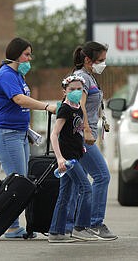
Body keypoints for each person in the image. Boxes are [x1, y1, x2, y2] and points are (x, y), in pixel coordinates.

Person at [0, 37, 57, 239]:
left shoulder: (17, 76)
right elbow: (19, 99)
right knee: (18, 182)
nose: (29, 58)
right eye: (26, 54)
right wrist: (46, 106)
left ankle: (9, 224)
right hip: (6, 134)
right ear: (15, 55)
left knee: (19, 180)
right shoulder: (6, 75)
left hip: (18, 134)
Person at [66, 41, 118, 240]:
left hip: (82, 137)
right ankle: (94, 223)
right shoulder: (81, 78)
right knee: (102, 176)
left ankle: (73, 224)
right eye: (100, 60)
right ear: (88, 60)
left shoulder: (89, 77)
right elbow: (79, 106)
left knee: (78, 184)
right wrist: (86, 130)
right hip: (80, 137)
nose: (103, 64)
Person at [48, 75, 97, 243]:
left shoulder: (77, 108)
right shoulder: (65, 109)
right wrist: (60, 158)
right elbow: (54, 135)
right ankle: (80, 228)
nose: (75, 92)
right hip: (67, 160)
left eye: (78, 89)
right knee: (86, 188)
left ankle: (56, 232)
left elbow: (76, 132)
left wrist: (81, 146)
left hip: (76, 155)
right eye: (71, 89)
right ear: (65, 91)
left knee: (66, 194)